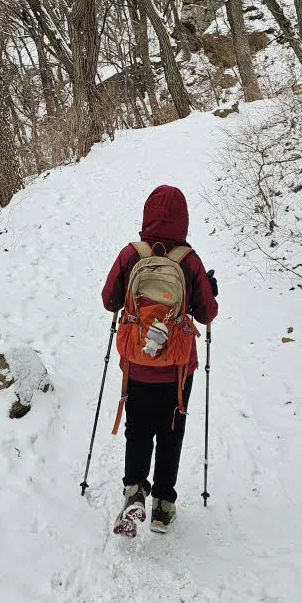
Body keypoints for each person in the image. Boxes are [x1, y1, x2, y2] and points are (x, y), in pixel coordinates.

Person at [101, 183, 218, 533]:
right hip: (178, 369)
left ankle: (134, 491)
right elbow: (206, 314)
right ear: (183, 219)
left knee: (137, 430)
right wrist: (209, 289)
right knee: (170, 432)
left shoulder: (131, 255)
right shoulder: (190, 261)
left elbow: (109, 300)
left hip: (137, 363)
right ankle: (163, 507)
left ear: (147, 215)